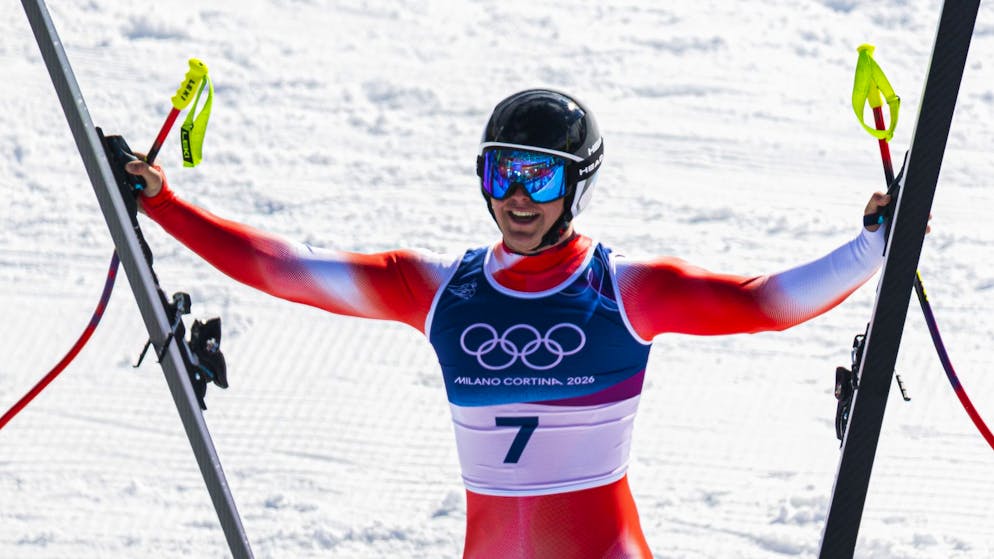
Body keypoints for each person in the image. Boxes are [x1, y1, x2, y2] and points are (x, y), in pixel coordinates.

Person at [126, 88, 891, 559]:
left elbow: (765, 301)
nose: (517, 199)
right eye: (502, 174)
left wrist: (873, 245)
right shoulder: (438, 290)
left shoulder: (623, 292)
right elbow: (283, 269)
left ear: (576, 185)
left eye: (540, 177)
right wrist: (162, 203)